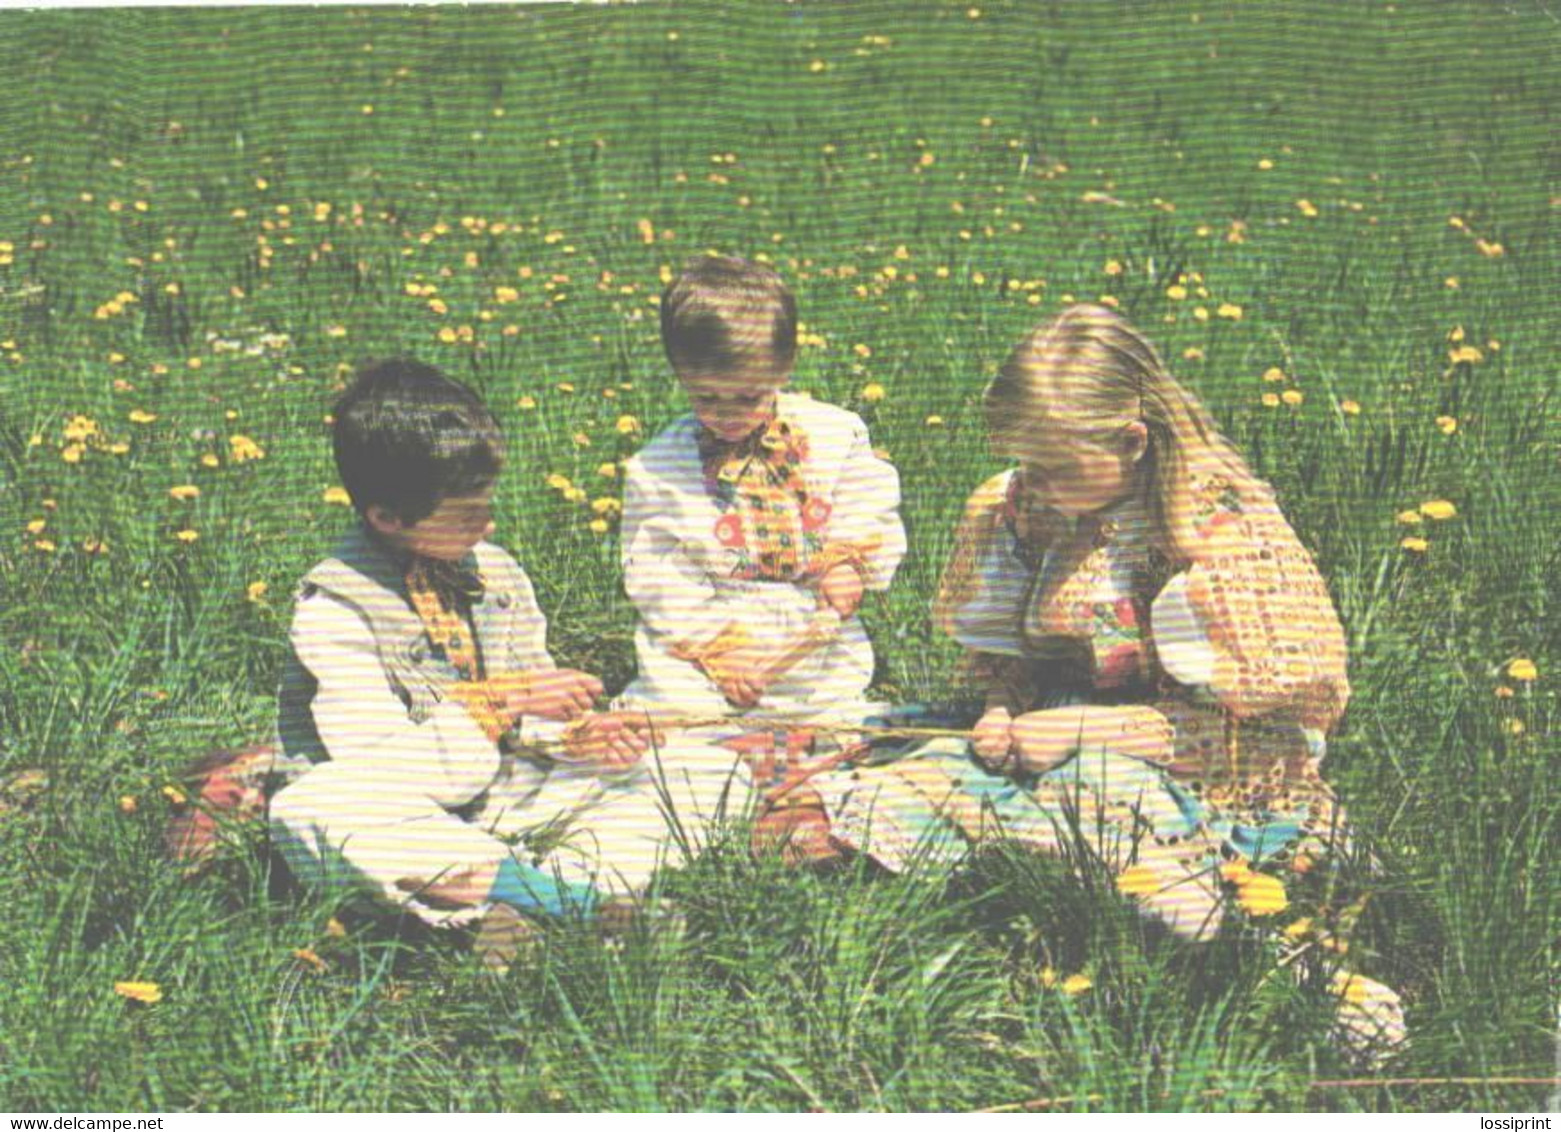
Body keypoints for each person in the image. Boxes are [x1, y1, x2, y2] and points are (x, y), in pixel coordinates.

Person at [793, 304, 1405, 1054]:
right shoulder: (1027, 506)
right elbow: (1014, 649)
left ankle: (1281, 970)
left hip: (1198, 760)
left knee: (1100, 806)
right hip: (1051, 724)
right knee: (884, 778)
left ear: (1130, 442)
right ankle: (1038, 890)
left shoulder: (1216, 531)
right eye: (1025, 465)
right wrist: (999, 703)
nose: (1033, 487)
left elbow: (1270, 726)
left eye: (1051, 470)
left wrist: (1089, 728)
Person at [269, 358, 750, 960]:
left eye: (487, 504)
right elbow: (386, 771)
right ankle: (562, 906)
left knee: (708, 770)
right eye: (467, 513)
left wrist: (576, 738)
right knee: (306, 808)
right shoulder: (336, 609)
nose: (488, 523)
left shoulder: (494, 573)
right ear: (387, 517)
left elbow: (533, 711)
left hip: (508, 796)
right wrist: (507, 700)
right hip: (407, 814)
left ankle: (536, 903)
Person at [617, 255, 906, 726]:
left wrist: (846, 562)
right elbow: (657, 570)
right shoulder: (659, 467)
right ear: (679, 374)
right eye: (706, 397)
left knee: (828, 713)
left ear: (785, 366)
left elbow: (866, 500)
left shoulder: (835, 434)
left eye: (749, 397)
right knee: (682, 713)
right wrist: (717, 646)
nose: (727, 415)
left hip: (810, 624)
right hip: (715, 625)